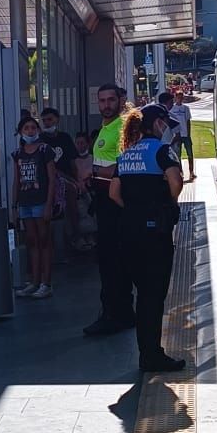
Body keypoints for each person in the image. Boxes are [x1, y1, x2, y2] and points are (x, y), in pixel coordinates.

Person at [110, 103, 186, 373]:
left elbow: (114, 194)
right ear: (156, 124)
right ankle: (152, 355)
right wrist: (165, 203)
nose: (166, 127)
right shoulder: (163, 151)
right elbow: (176, 183)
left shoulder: (127, 153)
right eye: (164, 122)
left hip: (129, 232)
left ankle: (147, 352)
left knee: (143, 294)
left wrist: (134, 210)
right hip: (155, 234)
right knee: (154, 296)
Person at [83, 82, 135, 337]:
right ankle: (119, 312)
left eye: (110, 100)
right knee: (110, 261)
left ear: (120, 100)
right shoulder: (106, 128)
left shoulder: (123, 127)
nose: (106, 105)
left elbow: (126, 167)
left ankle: (114, 314)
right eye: (102, 101)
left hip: (115, 204)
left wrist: (95, 172)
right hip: (104, 201)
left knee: (112, 261)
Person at [10, 113, 59, 298]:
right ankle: (35, 281)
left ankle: (46, 282)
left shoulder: (45, 150)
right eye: (26, 128)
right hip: (25, 202)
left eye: (33, 127)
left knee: (44, 240)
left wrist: (49, 204)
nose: (30, 131)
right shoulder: (17, 154)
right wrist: (14, 206)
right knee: (31, 241)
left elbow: (52, 178)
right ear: (20, 132)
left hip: (40, 200)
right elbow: (16, 180)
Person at [38, 105, 80, 244]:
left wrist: (78, 180)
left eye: (49, 119)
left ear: (57, 120)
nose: (47, 123)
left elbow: (73, 162)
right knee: (69, 190)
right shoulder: (41, 140)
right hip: (51, 179)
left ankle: (77, 233)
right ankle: (73, 235)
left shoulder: (65, 137)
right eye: (44, 120)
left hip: (68, 176)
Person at [161, 84, 195, 182]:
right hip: (177, 136)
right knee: (177, 155)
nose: (179, 99)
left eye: (181, 97)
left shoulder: (185, 108)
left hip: (185, 135)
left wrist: (188, 133)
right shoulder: (172, 109)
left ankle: (191, 172)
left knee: (190, 154)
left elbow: (188, 121)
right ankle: (180, 172)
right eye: (178, 97)